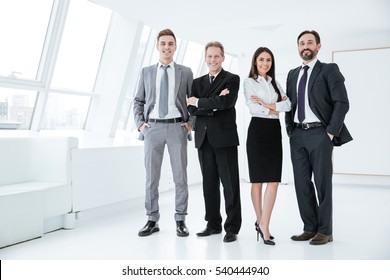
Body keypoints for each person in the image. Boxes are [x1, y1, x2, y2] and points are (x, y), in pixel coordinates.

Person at [285, 30, 352, 245]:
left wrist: (330, 132)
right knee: (301, 184)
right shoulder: (292, 74)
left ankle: (325, 230)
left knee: (322, 183)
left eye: (310, 42)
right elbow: (289, 105)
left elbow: (342, 103)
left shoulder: (329, 70)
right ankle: (310, 227)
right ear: (298, 47)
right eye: (302, 43)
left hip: (320, 134)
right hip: (297, 134)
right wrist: (289, 129)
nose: (306, 46)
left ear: (318, 46)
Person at [133, 28, 194, 237]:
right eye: (163, 43)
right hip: (153, 128)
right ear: (157, 46)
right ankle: (152, 219)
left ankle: (180, 219)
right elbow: (138, 100)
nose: (166, 47)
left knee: (180, 177)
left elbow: (192, 101)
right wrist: (141, 124)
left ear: (175, 47)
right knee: (152, 178)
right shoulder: (146, 72)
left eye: (170, 43)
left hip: (177, 128)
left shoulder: (185, 72)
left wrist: (190, 123)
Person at [187, 41, 241, 243]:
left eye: (216, 56)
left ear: (223, 57)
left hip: (225, 139)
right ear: (205, 57)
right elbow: (191, 110)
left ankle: (232, 227)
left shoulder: (232, 79)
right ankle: (213, 224)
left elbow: (227, 103)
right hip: (204, 139)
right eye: (209, 56)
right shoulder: (197, 82)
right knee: (209, 185)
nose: (212, 60)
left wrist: (201, 102)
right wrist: (214, 102)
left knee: (230, 185)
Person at [243, 47, 291, 246]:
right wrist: (273, 108)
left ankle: (264, 223)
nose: (265, 63)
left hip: (273, 132)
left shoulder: (275, 84)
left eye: (268, 60)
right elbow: (253, 108)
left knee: (273, 180)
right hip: (257, 132)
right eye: (261, 59)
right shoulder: (249, 82)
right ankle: (262, 223)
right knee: (257, 180)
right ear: (255, 61)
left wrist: (268, 106)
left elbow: (288, 106)